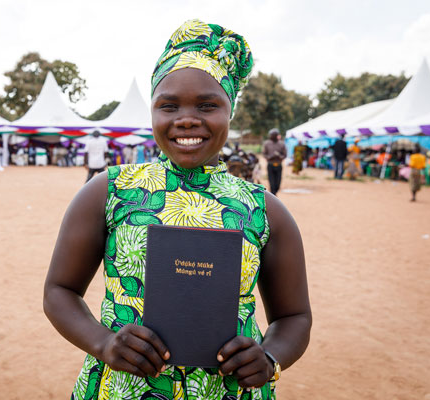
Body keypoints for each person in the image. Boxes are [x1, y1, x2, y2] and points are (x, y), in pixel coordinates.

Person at [43, 19, 311, 399]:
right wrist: (103, 343)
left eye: (207, 105)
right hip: (121, 390)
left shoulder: (265, 210)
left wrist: (269, 357)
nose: (186, 118)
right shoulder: (108, 191)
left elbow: (294, 317)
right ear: (152, 112)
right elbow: (59, 290)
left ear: (229, 113)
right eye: (168, 106)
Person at [262, 128, 286, 195]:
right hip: (270, 165)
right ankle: (273, 194)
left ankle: (275, 191)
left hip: (278, 165)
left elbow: (285, 155)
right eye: (271, 135)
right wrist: (270, 157)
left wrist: (279, 156)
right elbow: (264, 154)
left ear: (276, 135)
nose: (271, 136)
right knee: (271, 182)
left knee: (278, 183)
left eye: (273, 135)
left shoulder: (281, 144)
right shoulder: (267, 143)